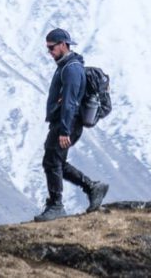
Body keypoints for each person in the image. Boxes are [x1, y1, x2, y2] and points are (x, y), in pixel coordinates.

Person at [34, 28, 109, 222]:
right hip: (63, 123)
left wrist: (65, 130)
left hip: (67, 124)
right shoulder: (67, 66)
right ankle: (92, 188)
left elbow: (70, 102)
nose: (49, 52)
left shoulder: (71, 69)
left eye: (51, 47)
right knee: (54, 161)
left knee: (52, 161)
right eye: (48, 48)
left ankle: (57, 206)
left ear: (63, 45)